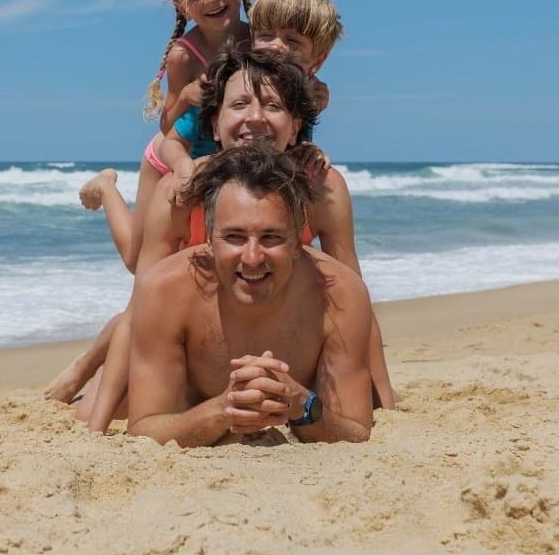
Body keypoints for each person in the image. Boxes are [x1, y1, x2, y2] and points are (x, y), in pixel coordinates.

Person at [78, 47, 396, 431]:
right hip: (188, 330)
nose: (255, 117)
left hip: (284, 324)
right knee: (100, 395)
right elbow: (141, 308)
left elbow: (353, 299)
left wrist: (384, 402)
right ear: (213, 125)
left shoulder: (322, 188)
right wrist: (96, 424)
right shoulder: (179, 192)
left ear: (296, 126)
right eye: (240, 104)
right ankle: (106, 190)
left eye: (272, 106)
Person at [128, 143, 375, 446]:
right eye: (234, 237)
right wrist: (225, 409)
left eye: (271, 237)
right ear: (209, 239)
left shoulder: (340, 294)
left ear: (298, 241)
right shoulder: (164, 291)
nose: (253, 257)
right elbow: (143, 428)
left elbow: (357, 431)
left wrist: (301, 405)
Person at [77, 0, 251, 276]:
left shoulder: (260, 39)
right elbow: (167, 123)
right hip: (170, 157)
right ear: (181, 5)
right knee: (137, 261)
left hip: (223, 156)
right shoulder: (185, 55)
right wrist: (186, 96)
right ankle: (107, 187)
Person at [155, 0, 344, 184]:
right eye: (266, 36)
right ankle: (113, 188)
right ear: (252, 38)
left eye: (293, 41)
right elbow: (170, 143)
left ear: (319, 58)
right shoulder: (226, 86)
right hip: (203, 173)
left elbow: (293, 140)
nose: (276, 46)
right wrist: (185, 169)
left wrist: (307, 150)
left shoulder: (306, 95)